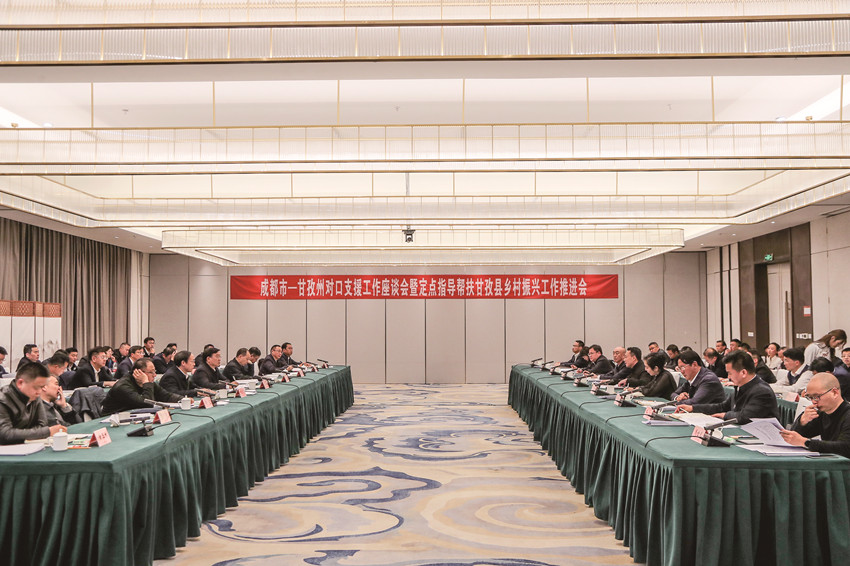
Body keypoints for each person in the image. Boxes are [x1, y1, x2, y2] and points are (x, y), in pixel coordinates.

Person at [677, 350, 779, 425]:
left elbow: (745, 417)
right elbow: (722, 407)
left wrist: (724, 415)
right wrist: (693, 408)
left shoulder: (761, 391)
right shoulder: (740, 387)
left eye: (730, 373)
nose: (728, 377)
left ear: (743, 372)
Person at [780, 373, 850, 458]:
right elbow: (794, 438)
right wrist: (802, 422)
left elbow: (845, 447)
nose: (813, 402)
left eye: (817, 396)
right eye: (810, 397)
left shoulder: (847, 414)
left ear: (835, 393)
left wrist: (806, 442)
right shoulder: (821, 413)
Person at [0, 362, 66, 444]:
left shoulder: (35, 397)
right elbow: (5, 434)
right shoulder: (3, 399)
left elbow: (42, 425)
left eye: (42, 387)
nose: (39, 392)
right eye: (36, 387)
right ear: (20, 383)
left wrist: (24, 434)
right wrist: (47, 432)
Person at [100, 358, 182, 415]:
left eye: (155, 371)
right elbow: (148, 404)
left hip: (132, 416)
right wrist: (146, 382)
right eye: (151, 372)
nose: (155, 375)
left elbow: (166, 396)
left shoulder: (149, 383)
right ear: (139, 372)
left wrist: (183, 400)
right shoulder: (123, 386)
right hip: (113, 420)